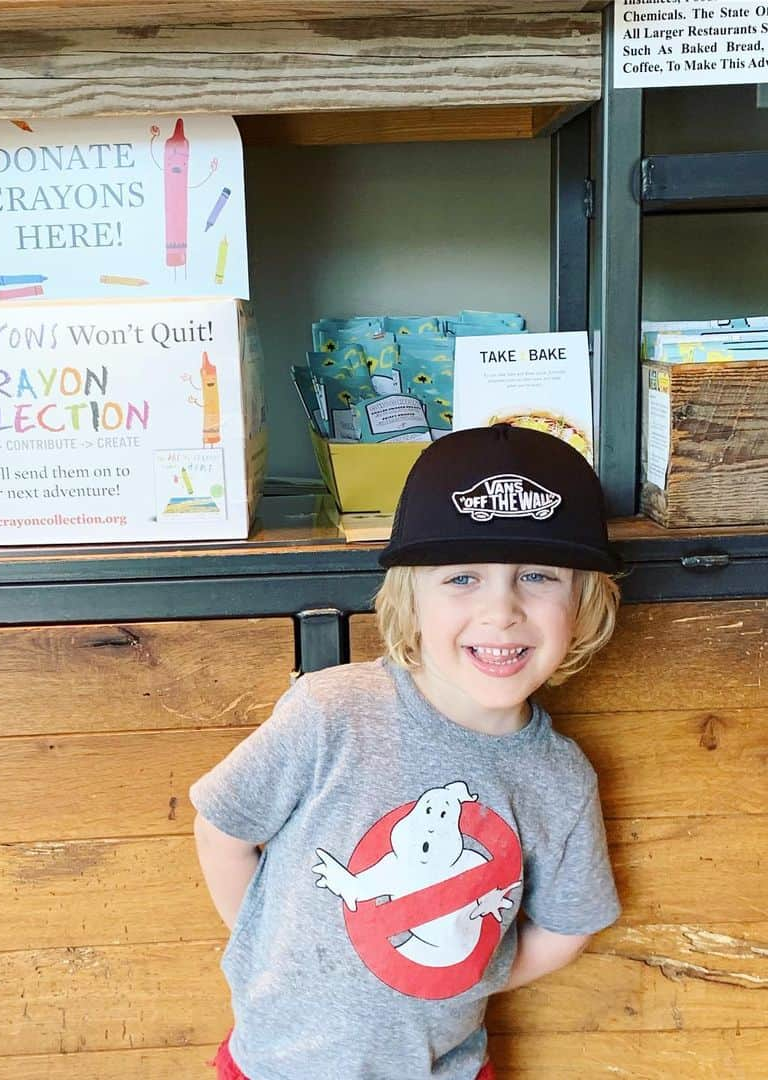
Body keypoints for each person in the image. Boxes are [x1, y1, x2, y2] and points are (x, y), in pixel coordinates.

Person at [189, 423, 623, 1080]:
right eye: (462, 579)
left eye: (537, 575)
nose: (501, 610)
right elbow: (222, 830)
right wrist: (265, 949)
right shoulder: (332, 711)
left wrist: (462, 968)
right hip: (270, 1067)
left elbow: (567, 928)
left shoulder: (559, 780)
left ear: (584, 605)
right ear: (410, 598)